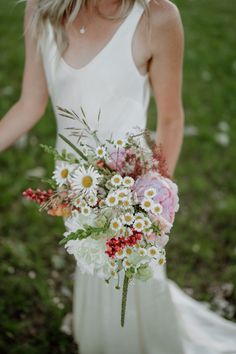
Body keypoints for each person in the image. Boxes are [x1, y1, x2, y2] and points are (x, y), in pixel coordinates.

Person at [0, 0, 236, 353]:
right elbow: (30, 104)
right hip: (76, 183)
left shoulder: (156, 18)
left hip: (130, 188)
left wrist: (152, 199)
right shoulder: (40, 9)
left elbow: (171, 117)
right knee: (92, 263)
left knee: (134, 279)